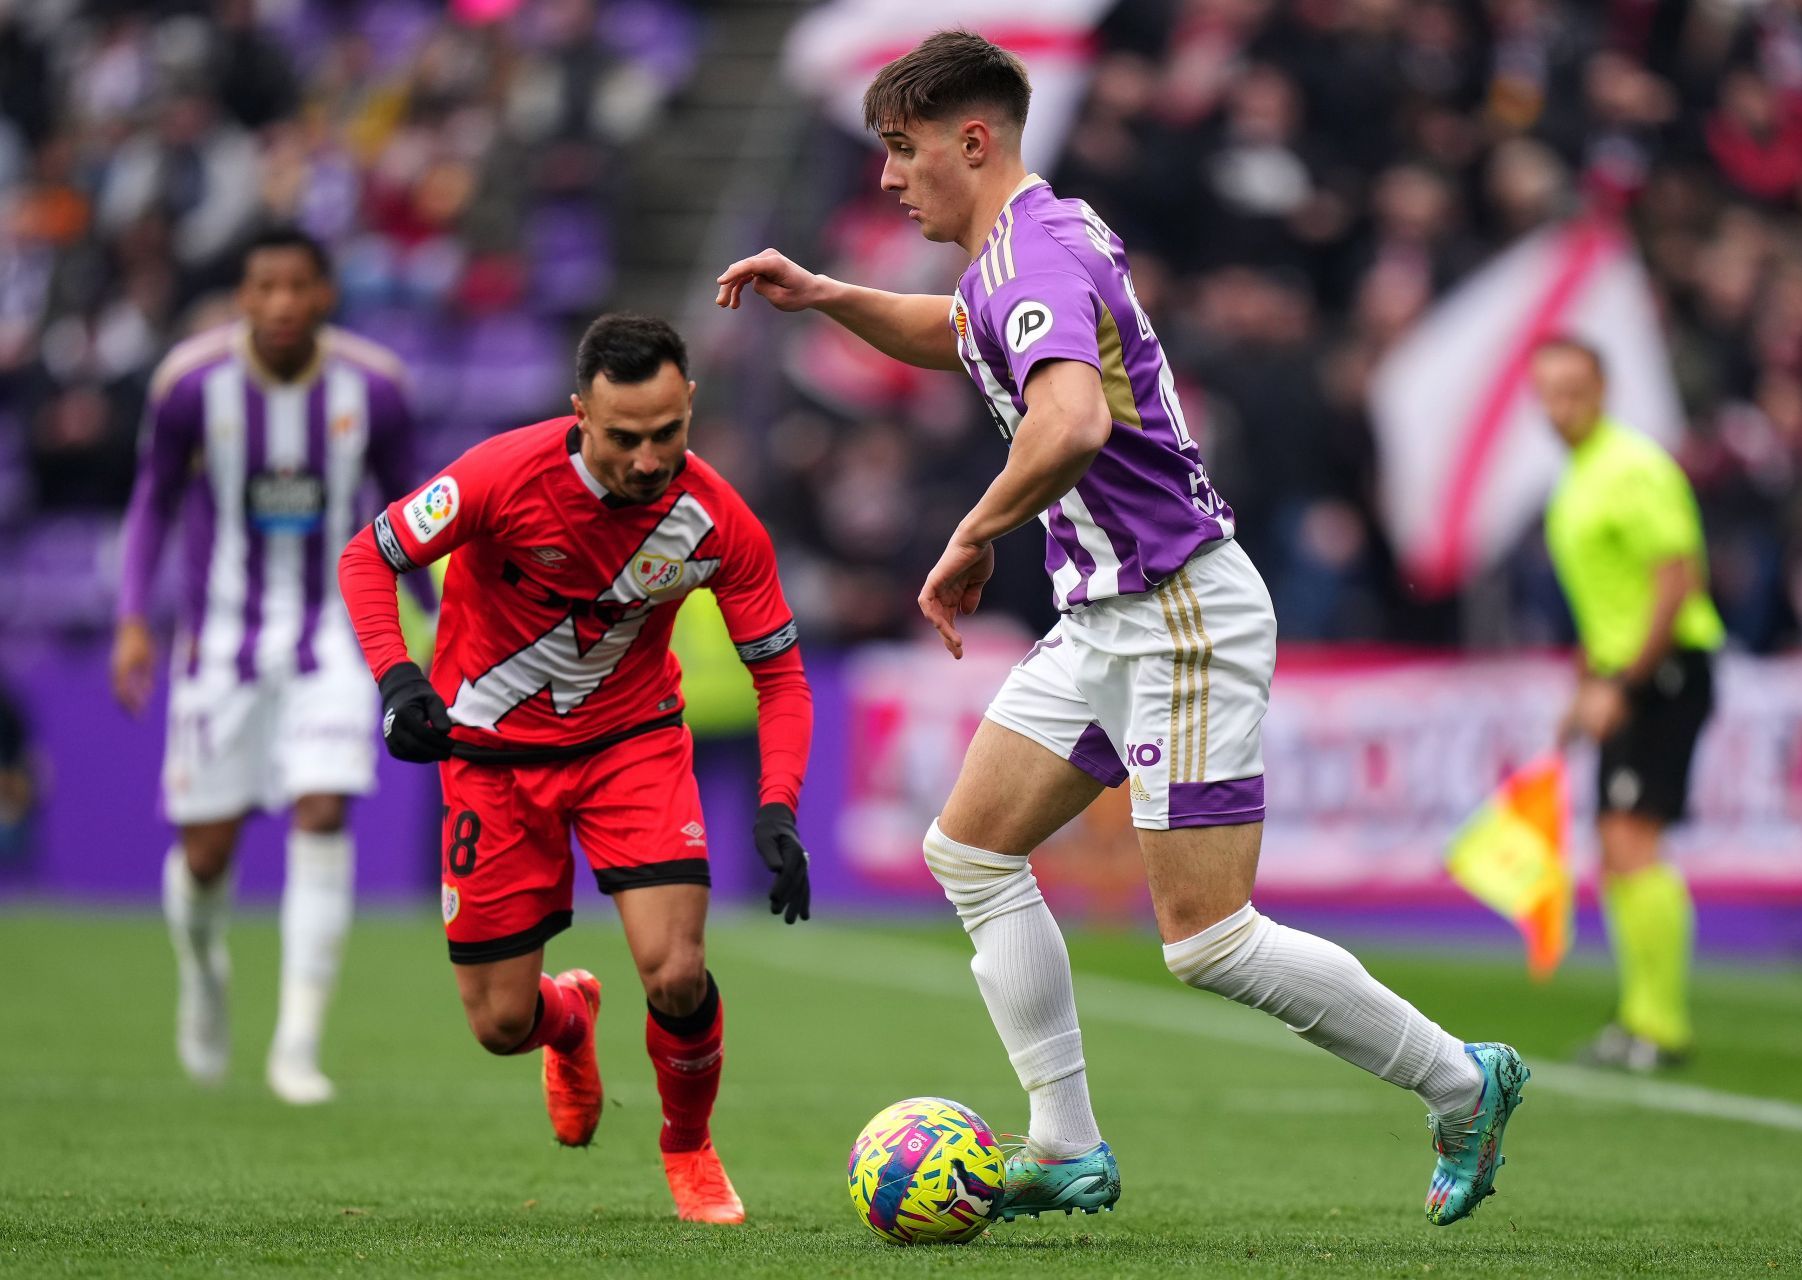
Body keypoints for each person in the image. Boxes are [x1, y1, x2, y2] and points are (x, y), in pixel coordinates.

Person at [715, 31, 1525, 1227]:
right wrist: (832, 297)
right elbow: (967, 334)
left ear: (972, 140)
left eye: (903, 150)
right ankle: (1068, 1143)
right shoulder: (1030, 243)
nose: (889, 179)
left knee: (1208, 940)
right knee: (971, 850)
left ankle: (1465, 1081)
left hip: (1178, 610)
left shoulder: (1033, 254)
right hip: (1108, 614)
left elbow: (1072, 420)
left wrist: (972, 533)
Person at [335, 313, 813, 1225]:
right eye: (625, 438)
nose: (647, 459)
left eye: (667, 434)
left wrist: (778, 803)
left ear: (690, 407)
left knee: (676, 972)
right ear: (579, 417)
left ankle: (690, 1150)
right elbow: (371, 557)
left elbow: (781, 673)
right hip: (488, 758)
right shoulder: (499, 476)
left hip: (630, 748)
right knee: (499, 1025)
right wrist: (399, 682)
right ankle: (568, 1019)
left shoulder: (719, 523)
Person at [113, 226, 418, 1106]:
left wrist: (435, 616)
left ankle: (297, 1043)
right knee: (207, 854)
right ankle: (204, 969)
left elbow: (411, 515)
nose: (282, 303)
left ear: (325, 294)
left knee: (322, 811)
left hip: (335, 636)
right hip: (221, 644)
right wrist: (135, 618)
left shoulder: (376, 388)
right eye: (264, 287)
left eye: (298, 286)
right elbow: (151, 501)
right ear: (244, 298)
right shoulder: (189, 387)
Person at [1534, 335, 1722, 1071]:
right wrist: (1586, 684)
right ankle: (1640, 1016)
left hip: (1667, 669)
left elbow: (1677, 583)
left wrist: (1623, 683)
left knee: (1634, 841)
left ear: (1604, 387)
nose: (1562, 404)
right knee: (1615, 849)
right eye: (1550, 391)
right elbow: (1606, 601)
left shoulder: (1632, 466)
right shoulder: (1579, 476)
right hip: (1623, 674)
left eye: (1575, 388)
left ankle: (1661, 1026)